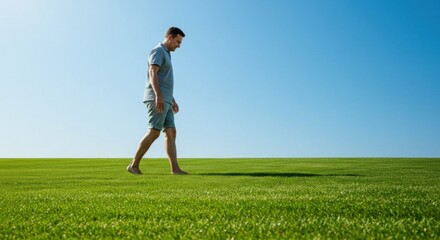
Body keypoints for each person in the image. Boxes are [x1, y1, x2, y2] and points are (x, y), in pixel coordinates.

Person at [127, 27, 187, 175]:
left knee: (171, 132)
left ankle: (175, 169)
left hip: (165, 100)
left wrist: (172, 99)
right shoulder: (158, 51)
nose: (179, 45)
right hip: (157, 99)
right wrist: (158, 96)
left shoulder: (167, 54)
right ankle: (133, 165)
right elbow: (153, 72)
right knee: (154, 131)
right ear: (169, 37)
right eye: (177, 42)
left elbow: (164, 79)